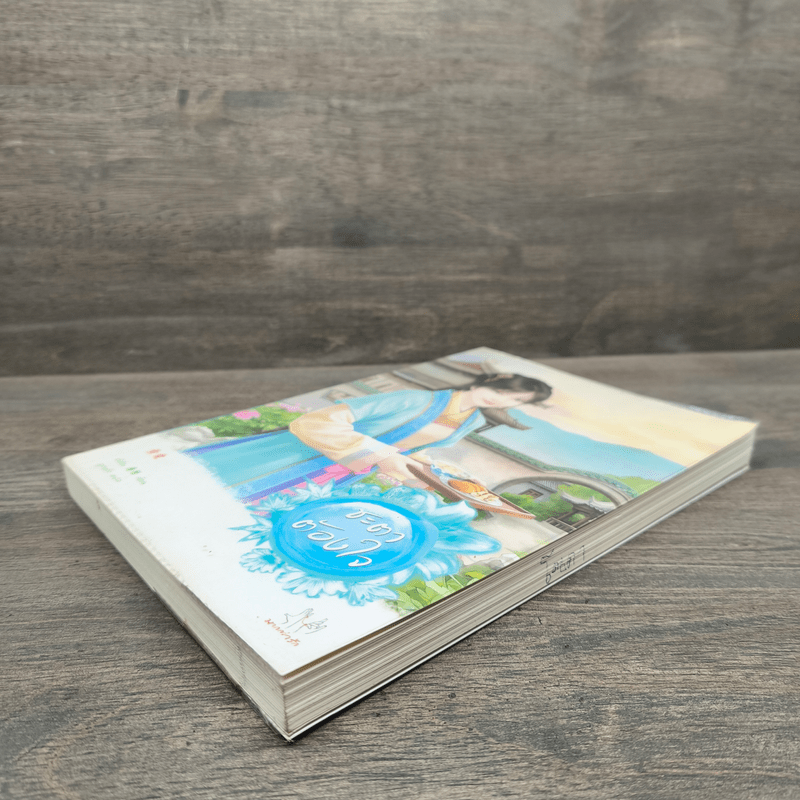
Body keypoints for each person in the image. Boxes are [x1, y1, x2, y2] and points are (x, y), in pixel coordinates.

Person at [185, 373, 552, 503]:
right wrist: (380, 453)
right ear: (490, 381)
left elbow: (415, 449)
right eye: (502, 391)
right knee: (213, 489)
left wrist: (435, 474)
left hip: (345, 471)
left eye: (515, 401)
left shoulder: (471, 421)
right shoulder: (415, 399)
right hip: (301, 452)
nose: (501, 401)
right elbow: (316, 421)